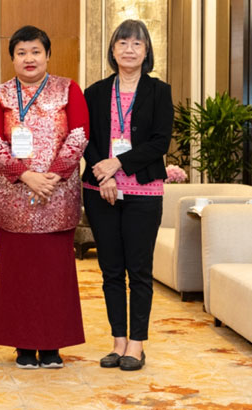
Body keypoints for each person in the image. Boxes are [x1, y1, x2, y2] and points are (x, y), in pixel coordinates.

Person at [0, 25, 89, 369]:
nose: (29, 59)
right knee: (19, 275)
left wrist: (54, 175)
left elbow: (79, 133)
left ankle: (52, 345)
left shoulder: (68, 89)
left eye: (35, 52)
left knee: (55, 275)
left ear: (47, 55)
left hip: (58, 195)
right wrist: (26, 175)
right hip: (15, 196)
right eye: (21, 53)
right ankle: (24, 345)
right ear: (12, 58)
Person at [82, 19, 173, 372]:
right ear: (113, 50)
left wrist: (115, 164)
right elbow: (85, 139)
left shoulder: (159, 92)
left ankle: (137, 344)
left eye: (137, 44)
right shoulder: (95, 91)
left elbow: (159, 142)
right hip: (99, 191)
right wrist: (101, 174)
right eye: (122, 43)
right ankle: (118, 341)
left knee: (139, 270)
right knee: (110, 270)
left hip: (143, 191)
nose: (129, 49)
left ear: (147, 50)